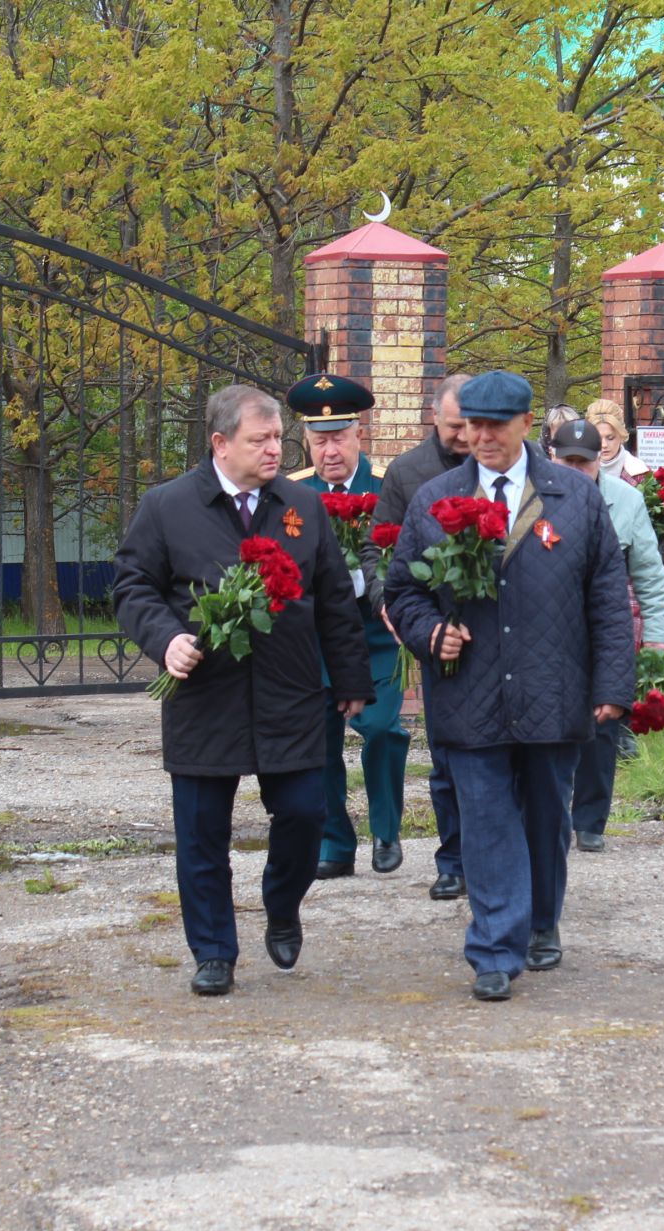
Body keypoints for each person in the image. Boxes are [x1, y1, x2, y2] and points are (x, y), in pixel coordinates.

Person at [113, 384, 373, 998]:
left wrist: (352, 680)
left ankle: (282, 902)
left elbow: (335, 600)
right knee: (203, 833)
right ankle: (213, 952)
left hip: (291, 694)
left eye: (280, 437)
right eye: (261, 440)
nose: (276, 449)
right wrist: (166, 639)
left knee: (307, 814)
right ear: (220, 443)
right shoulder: (167, 506)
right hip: (206, 698)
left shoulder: (302, 509)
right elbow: (132, 586)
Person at [384, 370, 634, 1001]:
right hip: (469, 688)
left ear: (528, 425)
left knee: (547, 816)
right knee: (487, 819)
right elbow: (403, 590)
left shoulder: (574, 498)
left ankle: (542, 922)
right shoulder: (437, 499)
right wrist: (430, 632)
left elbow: (606, 597)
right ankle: (495, 949)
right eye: (474, 424)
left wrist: (613, 685)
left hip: (553, 687)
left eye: (497, 424)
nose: (483, 436)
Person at [284, 372, 410, 880]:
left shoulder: (386, 488)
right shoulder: (291, 493)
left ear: (359, 435)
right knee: (319, 741)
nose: (329, 450)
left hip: (375, 635)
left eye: (338, 437)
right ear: (307, 441)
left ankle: (385, 830)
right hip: (315, 639)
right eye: (319, 439)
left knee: (380, 730)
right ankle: (335, 843)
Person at [547, 417, 664, 854]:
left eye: (584, 462)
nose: (577, 470)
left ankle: (590, 820)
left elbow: (650, 576)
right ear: (553, 458)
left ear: (600, 458)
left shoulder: (626, 501)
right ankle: (551, 814)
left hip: (607, 629)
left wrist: (657, 641)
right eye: (568, 462)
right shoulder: (536, 497)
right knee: (553, 726)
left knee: (603, 725)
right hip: (551, 630)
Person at [375, 373, 472, 902]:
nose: (464, 437)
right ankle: (452, 859)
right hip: (438, 639)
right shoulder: (409, 473)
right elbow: (381, 549)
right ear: (434, 416)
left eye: (472, 424)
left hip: (497, 634)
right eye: (455, 426)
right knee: (447, 756)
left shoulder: (507, 467)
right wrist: (396, 611)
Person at [585, 398, 651, 483]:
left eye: (610, 438)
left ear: (621, 435)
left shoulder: (640, 473)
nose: (604, 445)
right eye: (598, 438)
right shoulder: (578, 472)